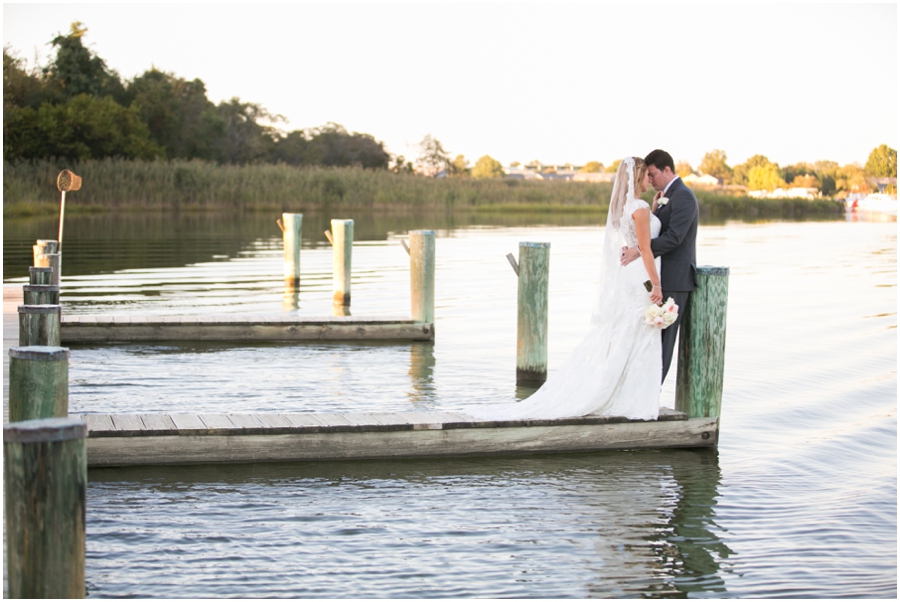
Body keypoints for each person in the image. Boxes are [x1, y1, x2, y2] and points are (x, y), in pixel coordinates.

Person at [466, 156, 663, 421]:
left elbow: (635, 243)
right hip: (641, 276)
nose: (649, 179)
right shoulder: (638, 208)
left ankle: (618, 391)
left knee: (626, 333)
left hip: (629, 274)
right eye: (646, 175)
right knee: (637, 334)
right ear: (637, 177)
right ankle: (629, 397)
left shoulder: (624, 207)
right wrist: (658, 285)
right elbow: (646, 249)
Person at [620, 149, 698, 383]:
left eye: (653, 174)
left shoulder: (683, 196)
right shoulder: (663, 197)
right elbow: (652, 229)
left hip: (674, 279)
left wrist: (639, 248)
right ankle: (643, 392)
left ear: (667, 170)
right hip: (657, 279)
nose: (650, 180)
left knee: (664, 345)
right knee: (651, 343)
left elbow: (674, 238)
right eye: (648, 175)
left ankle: (651, 394)